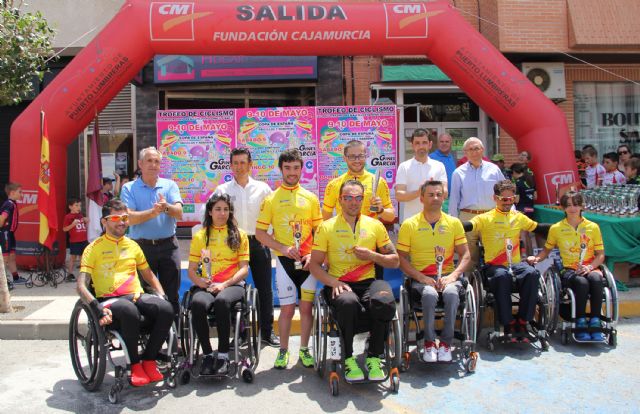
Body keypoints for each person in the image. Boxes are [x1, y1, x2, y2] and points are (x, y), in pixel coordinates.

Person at [76, 199, 174, 387]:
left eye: (125, 218)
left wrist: (162, 296)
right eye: (115, 218)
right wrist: (95, 308)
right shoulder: (92, 248)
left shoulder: (133, 245)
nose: (122, 222)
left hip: (136, 295)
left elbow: (149, 275)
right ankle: (134, 365)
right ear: (104, 222)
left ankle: (149, 360)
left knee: (166, 309)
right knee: (129, 310)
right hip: (109, 301)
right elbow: (81, 285)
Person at [310, 179, 399, 381]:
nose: (353, 202)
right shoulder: (327, 227)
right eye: (348, 198)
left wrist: (372, 255)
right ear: (340, 200)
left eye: (358, 197)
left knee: (384, 302)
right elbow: (314, 265)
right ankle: (348, 358)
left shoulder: (375, 225)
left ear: (363, 200)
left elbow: (394, 261)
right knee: (348, 303)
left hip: (369, 282)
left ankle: (374, 357)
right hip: (339, 283)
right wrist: (333, 283)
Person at [255, 149, 322, 369]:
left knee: (306, 308)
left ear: (302, 169)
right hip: (284, 262)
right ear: (281, 169)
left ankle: (304, 350)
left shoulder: (311, 198)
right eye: (287, 168)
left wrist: (313, 253)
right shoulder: (271, 198)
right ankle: (283, 351)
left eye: (296, 168)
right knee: (286, 310)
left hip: (308, 262)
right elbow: (260, 234)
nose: (292, 172)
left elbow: (319, 230)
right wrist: (283, 247)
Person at [397, 180, 470, 362]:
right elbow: (401, 258)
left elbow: (466, 255)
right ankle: (429, 344)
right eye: (430, 194)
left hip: (448, 276)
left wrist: (453, 276)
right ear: (421, 198)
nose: (435, 198)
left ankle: (445, 344)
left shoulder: (454, 223)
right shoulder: (409, 224)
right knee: (429, 294)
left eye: (439, 194)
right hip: (421, 279)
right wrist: (420, 277)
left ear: (443, 197)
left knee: (452, 294)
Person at [213, 147, 279, 347]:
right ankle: (240, 334)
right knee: (234, 289)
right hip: (231, 244)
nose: (239, 167)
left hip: (258, 242)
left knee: (264, 289)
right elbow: (210, 214)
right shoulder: (222, 190)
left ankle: (267, 333)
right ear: (230, 165)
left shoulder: (263, 188)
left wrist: (272, 237)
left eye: (243, 163)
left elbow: (273, 216)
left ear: (250, 165)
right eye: (236, 163)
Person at [527, 191, 605, 341]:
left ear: (582, 206)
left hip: (589, 266)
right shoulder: (556, 228)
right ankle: (580, 320)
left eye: (576, 204)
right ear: (563, 208)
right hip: (569, 268)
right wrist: (536, 258)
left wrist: (590, 267)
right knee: (581, 283)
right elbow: (546, 250)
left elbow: (600, 254)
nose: (573, 208)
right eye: (569, 205)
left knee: (595, 279)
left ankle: (596, 320)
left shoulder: (593, 227)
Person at [469, 180, 540, 341]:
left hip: (516, 263)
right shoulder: (484, 218)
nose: (508, 202)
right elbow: (468, 225)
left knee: (532, 273)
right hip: (494, 265)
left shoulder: (519, 217)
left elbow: (537, 228)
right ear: (495, 198)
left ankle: (523, 321)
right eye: (504, 199)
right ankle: (507, 322)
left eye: (511, 199)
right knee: (502, 277)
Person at [188, 194, 250, 375]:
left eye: (226, 209)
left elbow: (244, 269)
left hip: (232, 285)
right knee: (197, 303)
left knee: (222, 301)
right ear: (210, 212)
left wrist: (224, 284)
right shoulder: (200, 236)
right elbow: (191, 269)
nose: (222, 213)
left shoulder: (240, 235)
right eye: (218, 209)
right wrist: (201, 282)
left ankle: (223, 355)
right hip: (207, 285)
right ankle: (207, 354)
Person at [120, 147, 184, 317]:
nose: (153, 165)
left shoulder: (170, 185)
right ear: (140, 164)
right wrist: (153, 212)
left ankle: (174, 337)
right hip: (141, 248)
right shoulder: (129, 188)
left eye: (157, 161)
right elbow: (129, 218)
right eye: (149, 161)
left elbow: (179, 212)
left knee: (171, 294)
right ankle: (150, 332)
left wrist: (166, 207)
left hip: (168, 246)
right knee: (142, 293)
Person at [449, 137, 505, 269]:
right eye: (470, 149)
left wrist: (510, 211)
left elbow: (503, 192)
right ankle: (469, 284)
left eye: (477, 148)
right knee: (469, 256)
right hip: (468, 217)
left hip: (491, 216)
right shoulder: (458, 173)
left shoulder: (494, 169)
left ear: (482, 150)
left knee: (494, 253)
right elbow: (454, 199)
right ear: (465, 152)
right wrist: (452, 222)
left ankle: (494, 282)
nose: (474, 152)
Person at [322, 139, 395, 222]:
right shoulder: (333, 184)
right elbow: (326, 217)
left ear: (366, 157)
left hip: (369, 233)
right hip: (343, 234)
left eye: (360, 156)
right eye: (352, 157)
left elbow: (391, 217)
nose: (357, 160)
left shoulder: (378, 182)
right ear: (344, 158)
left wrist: (381, 210)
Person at [395, 129, 447, 222]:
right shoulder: (404, 167)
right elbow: (399, 195)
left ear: (430, 144)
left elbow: (445, 193)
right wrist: (419, 192)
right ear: (412, 145)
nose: (421, 146)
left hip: (435, 221)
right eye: (417, 143)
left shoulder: (439, 166)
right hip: (412, 222)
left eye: (424, 142)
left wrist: (433, 190)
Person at [0, 182, 27, 290]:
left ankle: (15, 278)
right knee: (4, 259)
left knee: (12, 257)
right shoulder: (9, 204)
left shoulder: (13, 203)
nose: (22, 194)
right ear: (12, 193)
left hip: (11, 234)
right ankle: (3, 282)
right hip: (5, 233)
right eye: (20, 192)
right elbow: (2, 217)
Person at [62, 198, 89, 283]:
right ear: (70, 207)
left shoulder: (80, 215)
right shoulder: (68, 217)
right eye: (76, 205)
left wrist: (86, 221)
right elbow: (64, 229)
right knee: (73, 258)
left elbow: (83, 226)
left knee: (83, 258)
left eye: (80, 205)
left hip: (84, 240)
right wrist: (73, 224)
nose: (79, 207)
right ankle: (69, 274)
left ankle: (82, 275)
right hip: (75, 241)